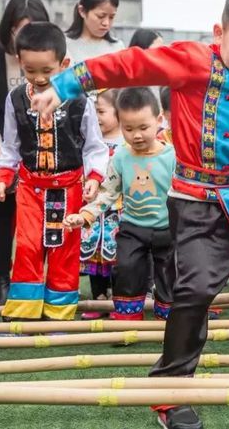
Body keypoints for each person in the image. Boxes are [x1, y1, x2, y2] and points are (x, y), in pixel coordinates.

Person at [31, 0, 229, 429]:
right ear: (220, 32)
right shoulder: (195, 61)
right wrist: (64, 85)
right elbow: (130, 65)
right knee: (194, 293)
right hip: (196, 203)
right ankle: (169, 392)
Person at [0, 22, 108, 320]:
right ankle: (24, 311)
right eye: (30, 70)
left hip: (70, 187)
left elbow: (94, 146)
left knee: (65, 250)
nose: (39, 78)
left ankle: (59, 312)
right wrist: (4, 176)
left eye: (47, 70)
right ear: (20, 63)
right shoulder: (15, 98)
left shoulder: (80, 100)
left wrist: (95, 177)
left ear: (64, 64)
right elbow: (10, 145)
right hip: (30, 188)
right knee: (28, 246)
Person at [65, 87, 176, 321]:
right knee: (126, 269)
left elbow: (184, 191)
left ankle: (168, 319)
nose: (136, 135)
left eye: (143, 128)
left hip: (167, 229)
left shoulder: (172, 156)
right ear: (120, 122)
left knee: (169, 273)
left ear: (159, 121)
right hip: (133, 228)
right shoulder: (121, 157)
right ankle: (128, 320)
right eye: (128, 128)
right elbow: (107, 192)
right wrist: (85, 214)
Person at [0, 0, 49, 304]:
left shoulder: (51, 55)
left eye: (30, 28)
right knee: (4, 215)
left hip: (43, 154)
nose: (23, 35)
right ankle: (2, 278)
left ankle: (40, 283)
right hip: (4, 147)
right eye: (17, 28)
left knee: (40, 225)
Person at [79, 88, 123, 320]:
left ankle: (118, 300)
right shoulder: (89, 143)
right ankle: (98, 299)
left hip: (118, 209)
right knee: (93, 255)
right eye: (94, 112)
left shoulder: (126, 142)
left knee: (117, 255)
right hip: (94, 209)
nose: (96, 117)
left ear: (119, 113)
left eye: (101, 111)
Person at [65, 0, 125, 64]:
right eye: (100, 16)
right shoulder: (65, 44)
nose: (106, 23)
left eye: (111, 17)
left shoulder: (118, 48)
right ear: (82, 11)